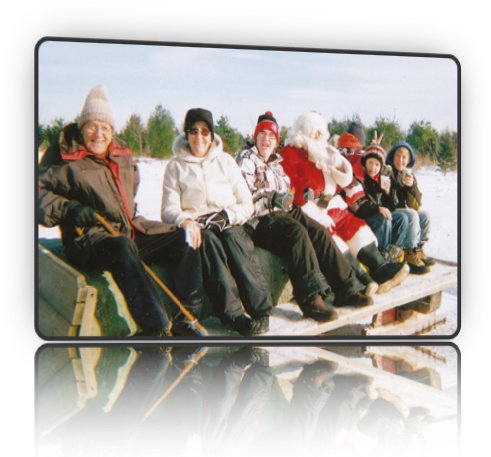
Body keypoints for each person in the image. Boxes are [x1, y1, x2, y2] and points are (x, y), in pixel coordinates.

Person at [38, 85, 204, 336]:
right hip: (90, 238)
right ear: (81, 127)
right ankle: (155, 328)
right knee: (122, 247)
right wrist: (70, 210)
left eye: (105, 127)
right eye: (91, 126)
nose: (98, 134)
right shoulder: (64, 154)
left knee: (184, 239)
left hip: (127, 229)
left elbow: (130, 193)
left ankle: (187, 320)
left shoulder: (120, 154)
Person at [236, 112, 374, 322]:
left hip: (282, 211)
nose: (266, 140)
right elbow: (244, 195)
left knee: (317, 231)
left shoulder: (276, 161)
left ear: (276, 140)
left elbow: (290, 188)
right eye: (262, 135)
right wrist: (273, 198)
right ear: (255, 137)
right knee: (297, 233)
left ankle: (346, 287)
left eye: (271, 136)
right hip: (260, 218)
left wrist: (292, 196)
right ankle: (310, 298)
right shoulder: (246, 159)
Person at [161, 108, 273, 335]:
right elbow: (168, 208)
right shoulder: (176, 166)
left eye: (205, 131)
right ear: (186, 134)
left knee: (234, 238)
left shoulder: (226, 162)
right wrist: (185, 220)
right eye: (193, 131)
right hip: (198, 226)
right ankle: (232, 313)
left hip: (228, 221)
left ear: (212, 135)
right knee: (209, 240)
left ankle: (261, 310)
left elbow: (246, 203)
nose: (199, 137)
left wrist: (226, 217)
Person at [279, 111, 409, 294]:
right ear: (302, 131)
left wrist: (339, 164)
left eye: (320, 132)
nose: (317, 136)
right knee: (332, 238)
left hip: (332, 204)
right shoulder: (289, 154)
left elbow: (345, 181)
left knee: (354, 226)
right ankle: (361, 279)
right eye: (312, 130)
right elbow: (292, 191)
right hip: (310, 211)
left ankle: (380, 269)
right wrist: (314, 214)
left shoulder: (322, 152)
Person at [347, 141, 430, 274]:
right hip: (368, 217)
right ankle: (391, 254)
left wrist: (405, 188)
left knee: (420, 215)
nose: (373, 167)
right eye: (398, 156)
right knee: (404, 216)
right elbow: (359, 204)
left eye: (377, 164)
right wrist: (384, 202)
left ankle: (402, 252)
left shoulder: (390, 174)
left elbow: (414, 204)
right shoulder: (369, 175)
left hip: (383, 212)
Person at [386, 141, 435, 268]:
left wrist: (411, 187)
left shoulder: (409, 175)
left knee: (425, 215)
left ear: (409, 160)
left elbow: (416, 206)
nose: (400, 160)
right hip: (392, 213)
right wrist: (397, 185)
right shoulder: (388, 172)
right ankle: (409, 250)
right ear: (392, 157)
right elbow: (391, 203)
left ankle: (418, 249)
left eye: (404, 157)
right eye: (398, 156)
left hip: (406, 213)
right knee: (412, 214)